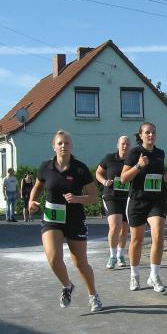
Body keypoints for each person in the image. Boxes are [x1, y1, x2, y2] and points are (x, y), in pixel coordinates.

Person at [28, 130, 102, 312]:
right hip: (52, 219)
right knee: (53, 258)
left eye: (67, 143)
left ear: (71, 146)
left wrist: (77, 198)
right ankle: (67, 286)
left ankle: (93, 295)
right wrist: (31, 201)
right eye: (60, 143)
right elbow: (37, 188)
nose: (63, 146)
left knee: (80, 263)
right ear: (54, 146)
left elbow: (94, 196)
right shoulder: (45, 167)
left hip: (74, 219)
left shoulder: (80, 169)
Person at [120, 122, 167, 293]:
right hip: (137, 200)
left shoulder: (160, 153)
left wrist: (165, 176)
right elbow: (124, 178)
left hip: (156, 201)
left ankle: (154, 276)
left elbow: (160, 172)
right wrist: (138, 166)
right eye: (147, 132)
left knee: (158, 235)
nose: (151, 135)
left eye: (153, 132)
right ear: (140, 135)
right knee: (137, 240)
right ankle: (134, 275)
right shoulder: (134, 153)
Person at [96, 135, 131, 269]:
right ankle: (112, 256)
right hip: (111, 196)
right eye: (123, 143)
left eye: (127, 144)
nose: (125, 146)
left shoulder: (132, 160)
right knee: (115, 226)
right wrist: (104, 181)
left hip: (127, 197)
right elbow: (98, 173)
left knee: (124, 229)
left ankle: (120, 255)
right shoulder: (109, 158)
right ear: (118, 145)